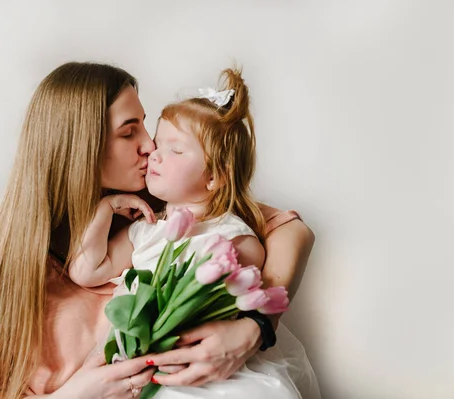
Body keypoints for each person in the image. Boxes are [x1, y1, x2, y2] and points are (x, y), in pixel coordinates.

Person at [0, 62, 318, 399]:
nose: (150, 145)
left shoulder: (158, 206)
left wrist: (255, 326)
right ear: (81, 146)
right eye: (129, 132)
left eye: (145, 125)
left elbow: (290, 229)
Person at [68, 68, 318, 399]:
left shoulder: (229, 233)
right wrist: (107, 208)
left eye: (175, 149)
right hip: (146, 371)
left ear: (214, 177)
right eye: (156, 140)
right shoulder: (146, 230)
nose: (152, 151)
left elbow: (262, 266)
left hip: (208, 368)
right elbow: (86, 270)